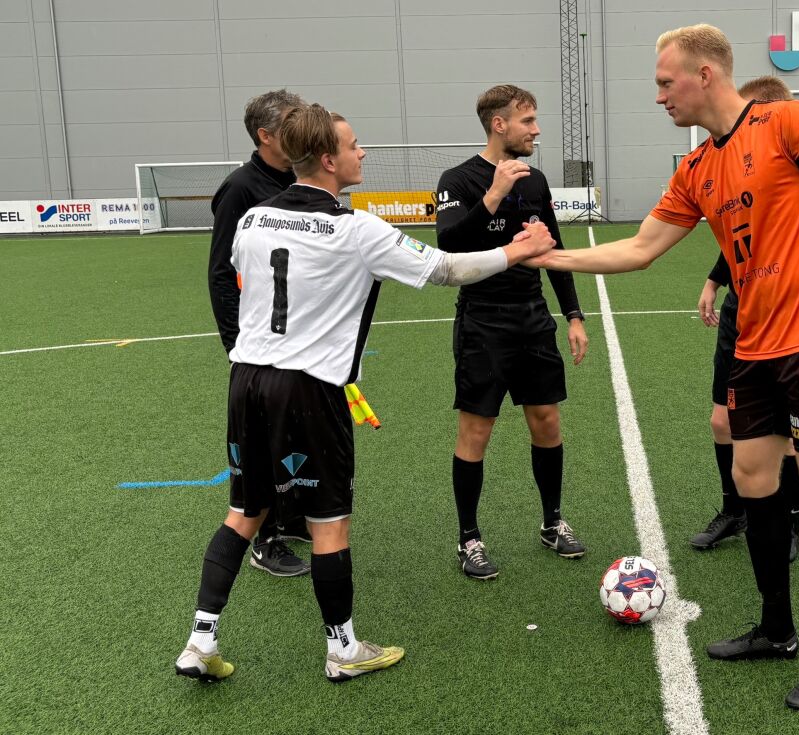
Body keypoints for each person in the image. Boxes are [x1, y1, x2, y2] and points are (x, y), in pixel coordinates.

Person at [525, 25, 799, 710]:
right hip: (754, 344)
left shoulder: (785, 120)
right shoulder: (697, 169)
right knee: (751, 476)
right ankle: (777, 628)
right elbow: (640, 248)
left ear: (705, 74)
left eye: (667, 83)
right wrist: (547, 257)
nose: (660, 95)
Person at [175, 103, 556, 683]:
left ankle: (200, 640)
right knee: (330, 524)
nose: (363, 154)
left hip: (246, 379)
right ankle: (343, 649)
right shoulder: (356, 230)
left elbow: (241, 275)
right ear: (327, 160)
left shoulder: (253, 219)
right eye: (355, 146)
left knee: (244, 510)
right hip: (307, 389)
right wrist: (518, 252)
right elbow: (445, 269)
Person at [436, 85, 589, 581]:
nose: (536, 129)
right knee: (476, 430)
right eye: (528, 120)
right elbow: (450, 245)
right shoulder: (457, 179)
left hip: (532, 318)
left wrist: (573, 315)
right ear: (499, 124)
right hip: (482, 321)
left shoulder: (537, 180)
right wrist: (495, 194)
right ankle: (469, 539)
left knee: (546, 421)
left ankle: (551, 522)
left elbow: (554, 250)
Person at [690, 76, 799, 560]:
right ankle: (734, 510)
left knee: (789, 434)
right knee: (722, 421)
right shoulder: (733, 163)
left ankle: (791, 523)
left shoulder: (796, 163)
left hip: (791, 312)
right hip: (741, 310)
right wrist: (714, 282)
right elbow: (739, 237)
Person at [208, 88, 310, 577]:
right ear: (267, 135)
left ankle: (291, 517)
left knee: (298, 432)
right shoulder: (241, 188)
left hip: (301, 340)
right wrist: (237, 346)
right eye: (292, 120)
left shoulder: (302, 179)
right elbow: (221, 275)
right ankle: (263, 539)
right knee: (262, 443)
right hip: (260, 346)